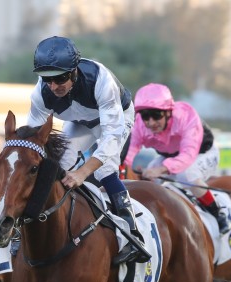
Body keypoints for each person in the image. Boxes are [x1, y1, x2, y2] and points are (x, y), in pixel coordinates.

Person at [27, 36, 149, 265]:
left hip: (114, 121)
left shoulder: (100, 80)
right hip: (80, 123)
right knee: (57, 165)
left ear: (74, 71)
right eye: (47, 80)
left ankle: (133, 234)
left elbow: (111, 137)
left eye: (60, 78)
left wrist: (83, 173)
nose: (53, 86)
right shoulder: (40, 94)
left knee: (104, 170)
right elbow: (34, 137)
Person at [122, 83, 228, 234]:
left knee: (187, 175)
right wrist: (124, 170)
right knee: (148, 181)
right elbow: (128, 154)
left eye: (156, 115)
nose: (151, 122)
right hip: (170, 156)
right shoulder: (139, 125)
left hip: (201, 153)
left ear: (168, 112)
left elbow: (188, 155)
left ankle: (218, 214)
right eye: (145, 116)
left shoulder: (186, 116)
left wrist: (161, 169)